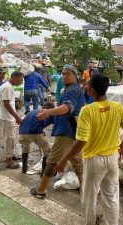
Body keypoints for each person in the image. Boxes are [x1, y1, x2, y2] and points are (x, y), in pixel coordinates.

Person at [55, 74, 123, 225]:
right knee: (111, 196)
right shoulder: (117, 107)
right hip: (112, 158)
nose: (85, 86)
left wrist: (64, 159)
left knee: (90, 197)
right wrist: (121, 147)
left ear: (91, 90)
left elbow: (82, 141)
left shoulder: (87, 110)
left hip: (94, 160)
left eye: (87, 85)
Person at [30, 64, 85, 199]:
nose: (63, 76)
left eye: (67, 74)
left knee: (52, 160)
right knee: (77, 160)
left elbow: (67, 108)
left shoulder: (72, 90)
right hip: (73, 131)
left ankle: (41, 190)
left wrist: (49, 112)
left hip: (65, 131)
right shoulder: (75, 89)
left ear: (75, 76)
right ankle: (84, 189)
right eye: (62, 74)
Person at [0, 71, 24, 169]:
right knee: (8, 139)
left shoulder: (8, 86)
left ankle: (11, 155)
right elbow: (6, 104)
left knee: (12, 137)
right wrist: (17, 117)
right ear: (15, 77)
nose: (21, 82)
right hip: (5, 117)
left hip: (8, 117)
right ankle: (8, 159)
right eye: (20, 80)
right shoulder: (7, 87)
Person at [19, 101, 55, 174]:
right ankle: (44, 172)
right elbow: (56, 124)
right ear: (51, 109)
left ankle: (24, 167)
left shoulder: (32, 111)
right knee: (47, 151)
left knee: (25, 148)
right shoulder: (49, 113)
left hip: (22, 133)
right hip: (36, 132)